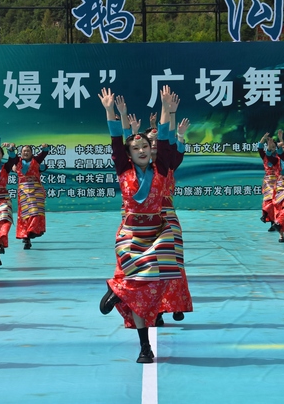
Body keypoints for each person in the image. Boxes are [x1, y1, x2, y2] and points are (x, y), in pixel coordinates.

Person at [98, 86, 179, 364]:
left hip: (157, 235)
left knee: (149, 290)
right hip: (131, 235)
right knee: (137, 288)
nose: (142, 150)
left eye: (145, 146)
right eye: (136, 148)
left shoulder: (163, 167)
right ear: (128, 155)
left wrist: (167, 108)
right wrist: (111, 111)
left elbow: (166, 139)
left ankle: (118, 292)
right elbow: (115, 139)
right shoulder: (123, 169)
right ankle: (144, 347)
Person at [14, 143, 50, 250]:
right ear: (21, 153)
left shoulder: (36, 160)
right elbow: (12, 155)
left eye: (28, 151)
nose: (26, 152)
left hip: (36, 190)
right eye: (24, 151)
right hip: (24, 191)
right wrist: (11, 148)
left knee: (36, 211)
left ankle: (31, 231)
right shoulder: (18, 162)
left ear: (31, 153)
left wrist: (45, 147)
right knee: (25, 214)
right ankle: (27, 237)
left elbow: (44, 152)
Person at [258, 132, 279, 231]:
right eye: (271, 146)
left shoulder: (278, 158)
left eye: (274, 146)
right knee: (267, 201)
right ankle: (271, 222)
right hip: (267, 182)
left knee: (274, 202)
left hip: (276, 181)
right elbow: (260, 147)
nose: (272, 147)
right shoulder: (265, 156)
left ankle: (269, 217)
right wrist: (264, 138)